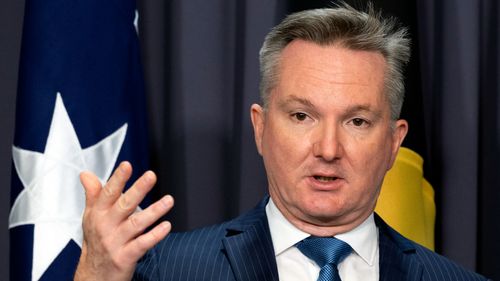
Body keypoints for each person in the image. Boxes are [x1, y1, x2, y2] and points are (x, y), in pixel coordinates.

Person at [74, 3, 489, 281]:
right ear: (260, 128)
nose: (328, 149)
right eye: (301, 116)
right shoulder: (163, 270)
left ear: (393, 143)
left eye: (357, 121)